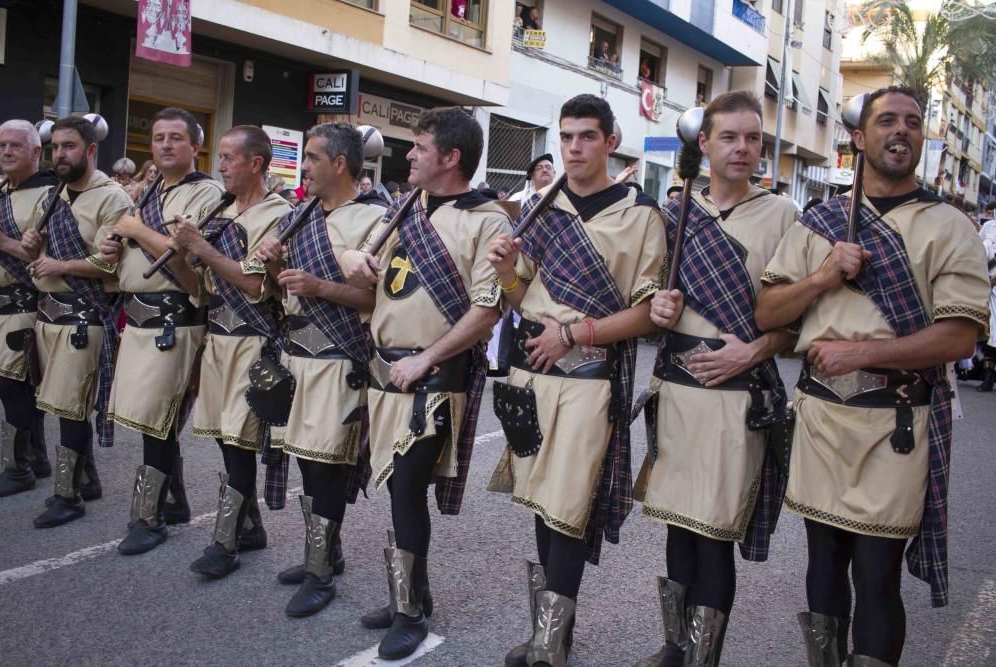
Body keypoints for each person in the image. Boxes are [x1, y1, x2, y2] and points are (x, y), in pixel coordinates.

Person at [755, 86, 991, 665]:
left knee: (877, 573)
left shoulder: (948, 226)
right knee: (823, 563)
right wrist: (823, 277)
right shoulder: (821, 223)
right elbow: (767, 312)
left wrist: (858, 355)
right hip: (820, 420)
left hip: (895, 424)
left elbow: (961, 337)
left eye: (913, 122)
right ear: (860, 139)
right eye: (888, 120)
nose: (902, 131)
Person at [487, 94, 667, 667]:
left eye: (587, 137)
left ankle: (550, 644)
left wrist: (575, 335)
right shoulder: (544, 206)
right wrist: (505, 271)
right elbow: (520, 299)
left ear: (611, 142)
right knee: (540, 502)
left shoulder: (642, 217)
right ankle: (551, 635)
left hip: (589, 378)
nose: (574, 148)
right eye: (566, 137)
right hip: (531, 371)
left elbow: (647, 312)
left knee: (566, 508)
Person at [633, 91, 798, 666]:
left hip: (736, 398)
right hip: (676, 393)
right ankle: (675, 646)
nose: (743, 149)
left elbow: (800, 323)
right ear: (704, 144)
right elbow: (653, 303)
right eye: (730, 137)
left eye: (753, 138)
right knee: (677, 528)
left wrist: (751, 352)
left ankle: (704, 658)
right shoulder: (676, 211)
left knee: (714, 535)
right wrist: (657, 312)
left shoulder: (782, 216)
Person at [340, 107, 509, 660]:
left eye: (418, 146)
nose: (408, 154)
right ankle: (410, 594)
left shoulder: (489, 220)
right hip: (387, 373)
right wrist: (358, 267)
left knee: (408, 490)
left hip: (432, 378)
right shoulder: (407, 208)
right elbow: (385, 289)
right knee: (394, 489)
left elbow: (486, 311)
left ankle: (409, 613)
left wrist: (425, 359)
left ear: (451, 157)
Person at [253, 122, 387, 617]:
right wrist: (273, 264)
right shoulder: (303, 213)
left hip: (339, 358)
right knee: (306, 459)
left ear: (339, 164)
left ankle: (320, 572)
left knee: (326, 463)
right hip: (297, 354)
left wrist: (319, 286)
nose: (302, 166)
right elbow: (286, 290)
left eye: (311, 157)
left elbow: (378, 298)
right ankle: (323, 552)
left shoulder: (376, 219)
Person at [166, 125, 293, 578]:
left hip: (254, 340)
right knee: (223, 436)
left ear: (255, 163)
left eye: (227, 158)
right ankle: (250, 525)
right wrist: (183, 257)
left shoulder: (279, 214)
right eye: (218, 158)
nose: (219, 166)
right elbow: (199, 290)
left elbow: (257, 284)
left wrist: (201, 247)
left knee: (240, 440)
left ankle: (226, 542)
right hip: (218, 337)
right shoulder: (221, 211)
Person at [98, 107, 224, 555]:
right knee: (153, 421)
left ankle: (147, 518)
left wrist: (136, 228)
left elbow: (190, 263)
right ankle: (174, 500)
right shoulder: (152, 188)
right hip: (136, 316)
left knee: (157, 419)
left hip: (176, 317)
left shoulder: (205, 193)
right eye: (158, 138)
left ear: (194, 146)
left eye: (175, 138)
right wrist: (117, 244)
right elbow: (136, 246)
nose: (165, 145)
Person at [21, 116, 131, 528]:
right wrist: (33, 245)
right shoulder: (56, 194)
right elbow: (39, 251)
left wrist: (59, 262)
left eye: (68, 146)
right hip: (50, 313)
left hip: (83, 316)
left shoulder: (111, 198)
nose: (59, 154)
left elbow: (111, 265)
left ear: (90, 150)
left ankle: (67, 495)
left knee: (70, 408)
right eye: (55, 147)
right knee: (64, 406)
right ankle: (87, 479)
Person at [0, 120, 56, 497]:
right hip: (0, 306)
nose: (5, 152)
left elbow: (41, 255)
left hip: (23, 304)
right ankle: (36, 456)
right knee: (12, 387)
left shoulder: (47, 195)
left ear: (36, 152)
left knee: (13, 386)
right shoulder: (2, 191)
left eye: (15, 146)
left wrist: (1, 240)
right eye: (2, 145)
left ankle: (17, 469)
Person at [976, 216, 996, 391]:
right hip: (990, 290)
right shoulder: (989, 227)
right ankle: (988, 378)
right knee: (990, 335)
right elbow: (978, 258)